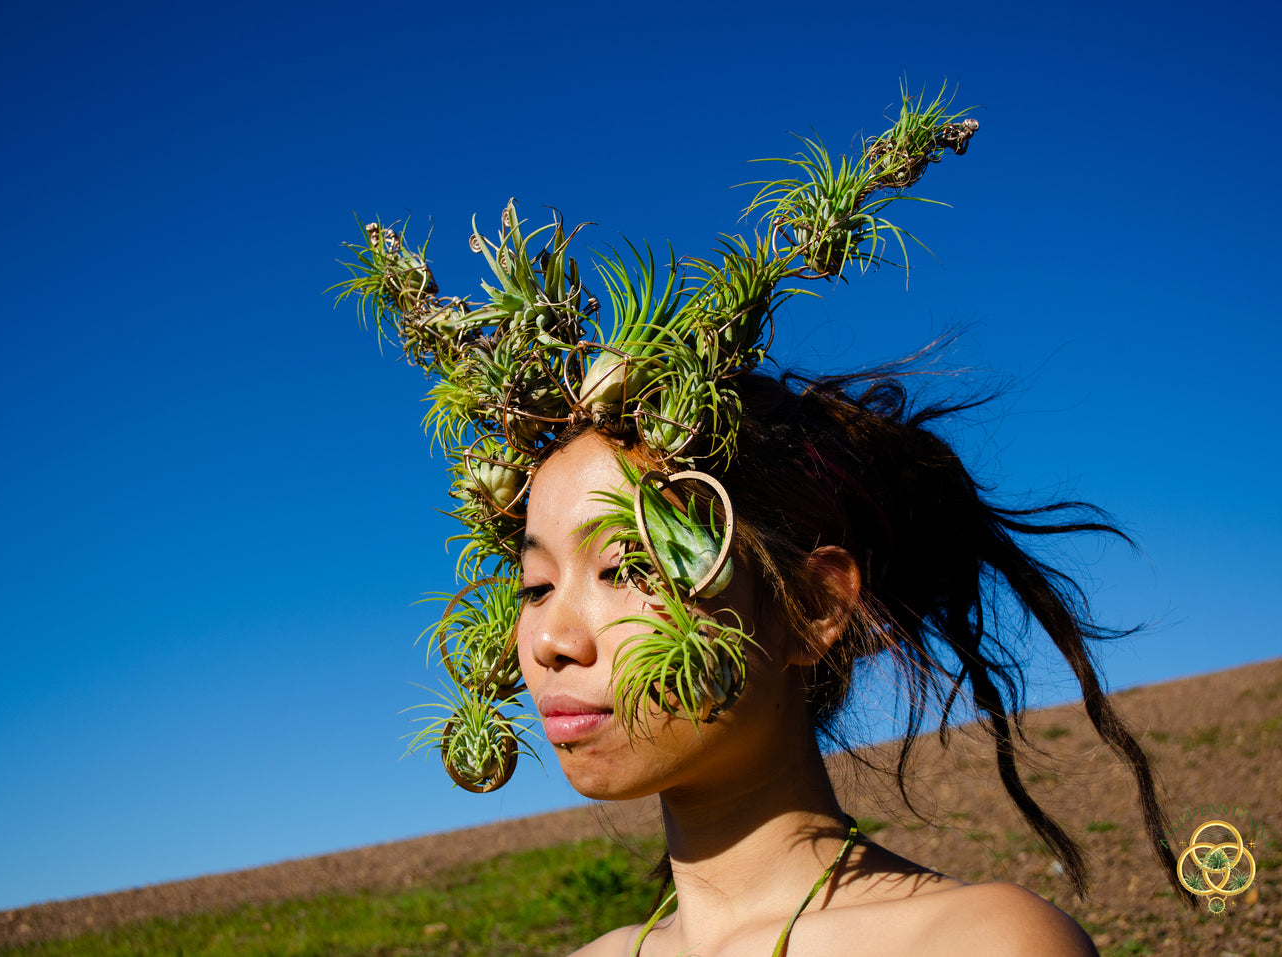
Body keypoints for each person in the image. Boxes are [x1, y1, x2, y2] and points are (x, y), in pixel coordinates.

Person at [334, 88, 1180, 955]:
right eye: (536, 582)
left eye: (629, 566)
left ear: (813, 607)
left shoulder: (976, 940)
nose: (551, 636)